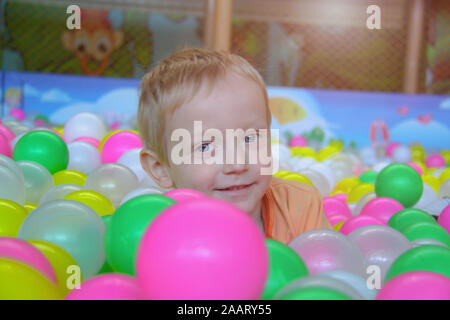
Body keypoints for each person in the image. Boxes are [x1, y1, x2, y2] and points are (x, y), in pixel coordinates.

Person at [138, 48, 331, 244]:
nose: (237, 163)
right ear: (161, 168)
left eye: (250, 138)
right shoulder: (158, 235)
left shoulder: (300, 207)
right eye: (205, 146)